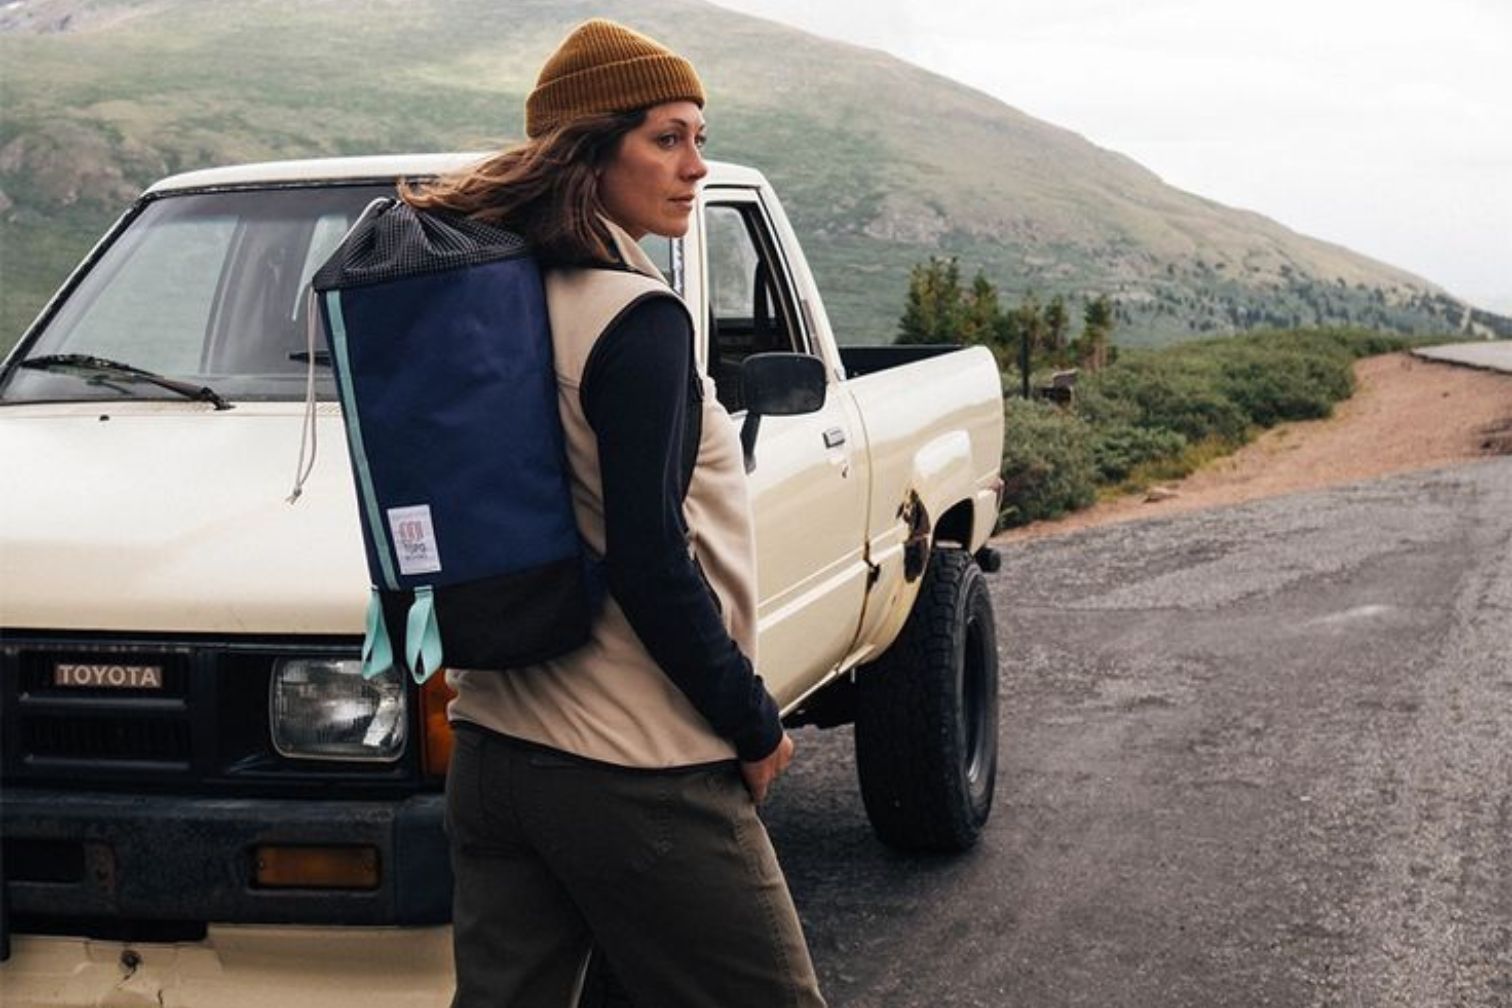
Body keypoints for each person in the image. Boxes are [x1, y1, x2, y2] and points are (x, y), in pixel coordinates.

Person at [402, 18, 828, 1008]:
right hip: (636, 765)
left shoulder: (492, 307)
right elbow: (649, 560)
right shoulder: (635, 319)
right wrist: (753, 724)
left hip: (496, 752)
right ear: (590, 151)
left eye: (700, 138)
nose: (694, 167)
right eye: (666, 138)